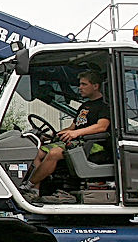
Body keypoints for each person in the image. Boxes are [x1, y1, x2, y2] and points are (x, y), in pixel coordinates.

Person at [21, 69, 110, 201]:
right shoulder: (84, 106)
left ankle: (28, 185)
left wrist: (75, 133)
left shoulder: (104, 106)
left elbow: (102, 126)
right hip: (76, 141)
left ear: (95, 86)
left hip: (92, 145)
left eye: (84, 84)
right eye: (80, 84)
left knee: (54, 153)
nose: (79, 88)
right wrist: (54, 135)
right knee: (36, 152)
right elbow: (72, 127)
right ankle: (35, 190)